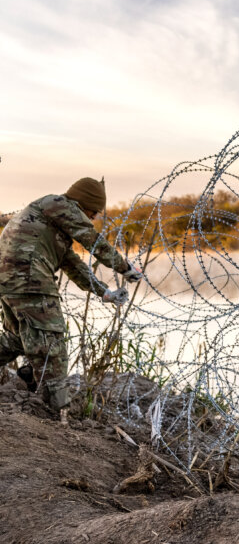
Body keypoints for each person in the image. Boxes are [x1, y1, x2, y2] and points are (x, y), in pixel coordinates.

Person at [0, 177, 141, 414]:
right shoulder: (59, 204)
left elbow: (72, 264)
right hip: (30, 279)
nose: (94, 217)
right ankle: (57, 411)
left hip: (9, 281)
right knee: (52, 345)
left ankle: (41, 390)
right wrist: (124, 267)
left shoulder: (49, 221)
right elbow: (91, 240)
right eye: (93, 211)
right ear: (81, 203)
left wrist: (104, 292)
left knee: (17, 339)